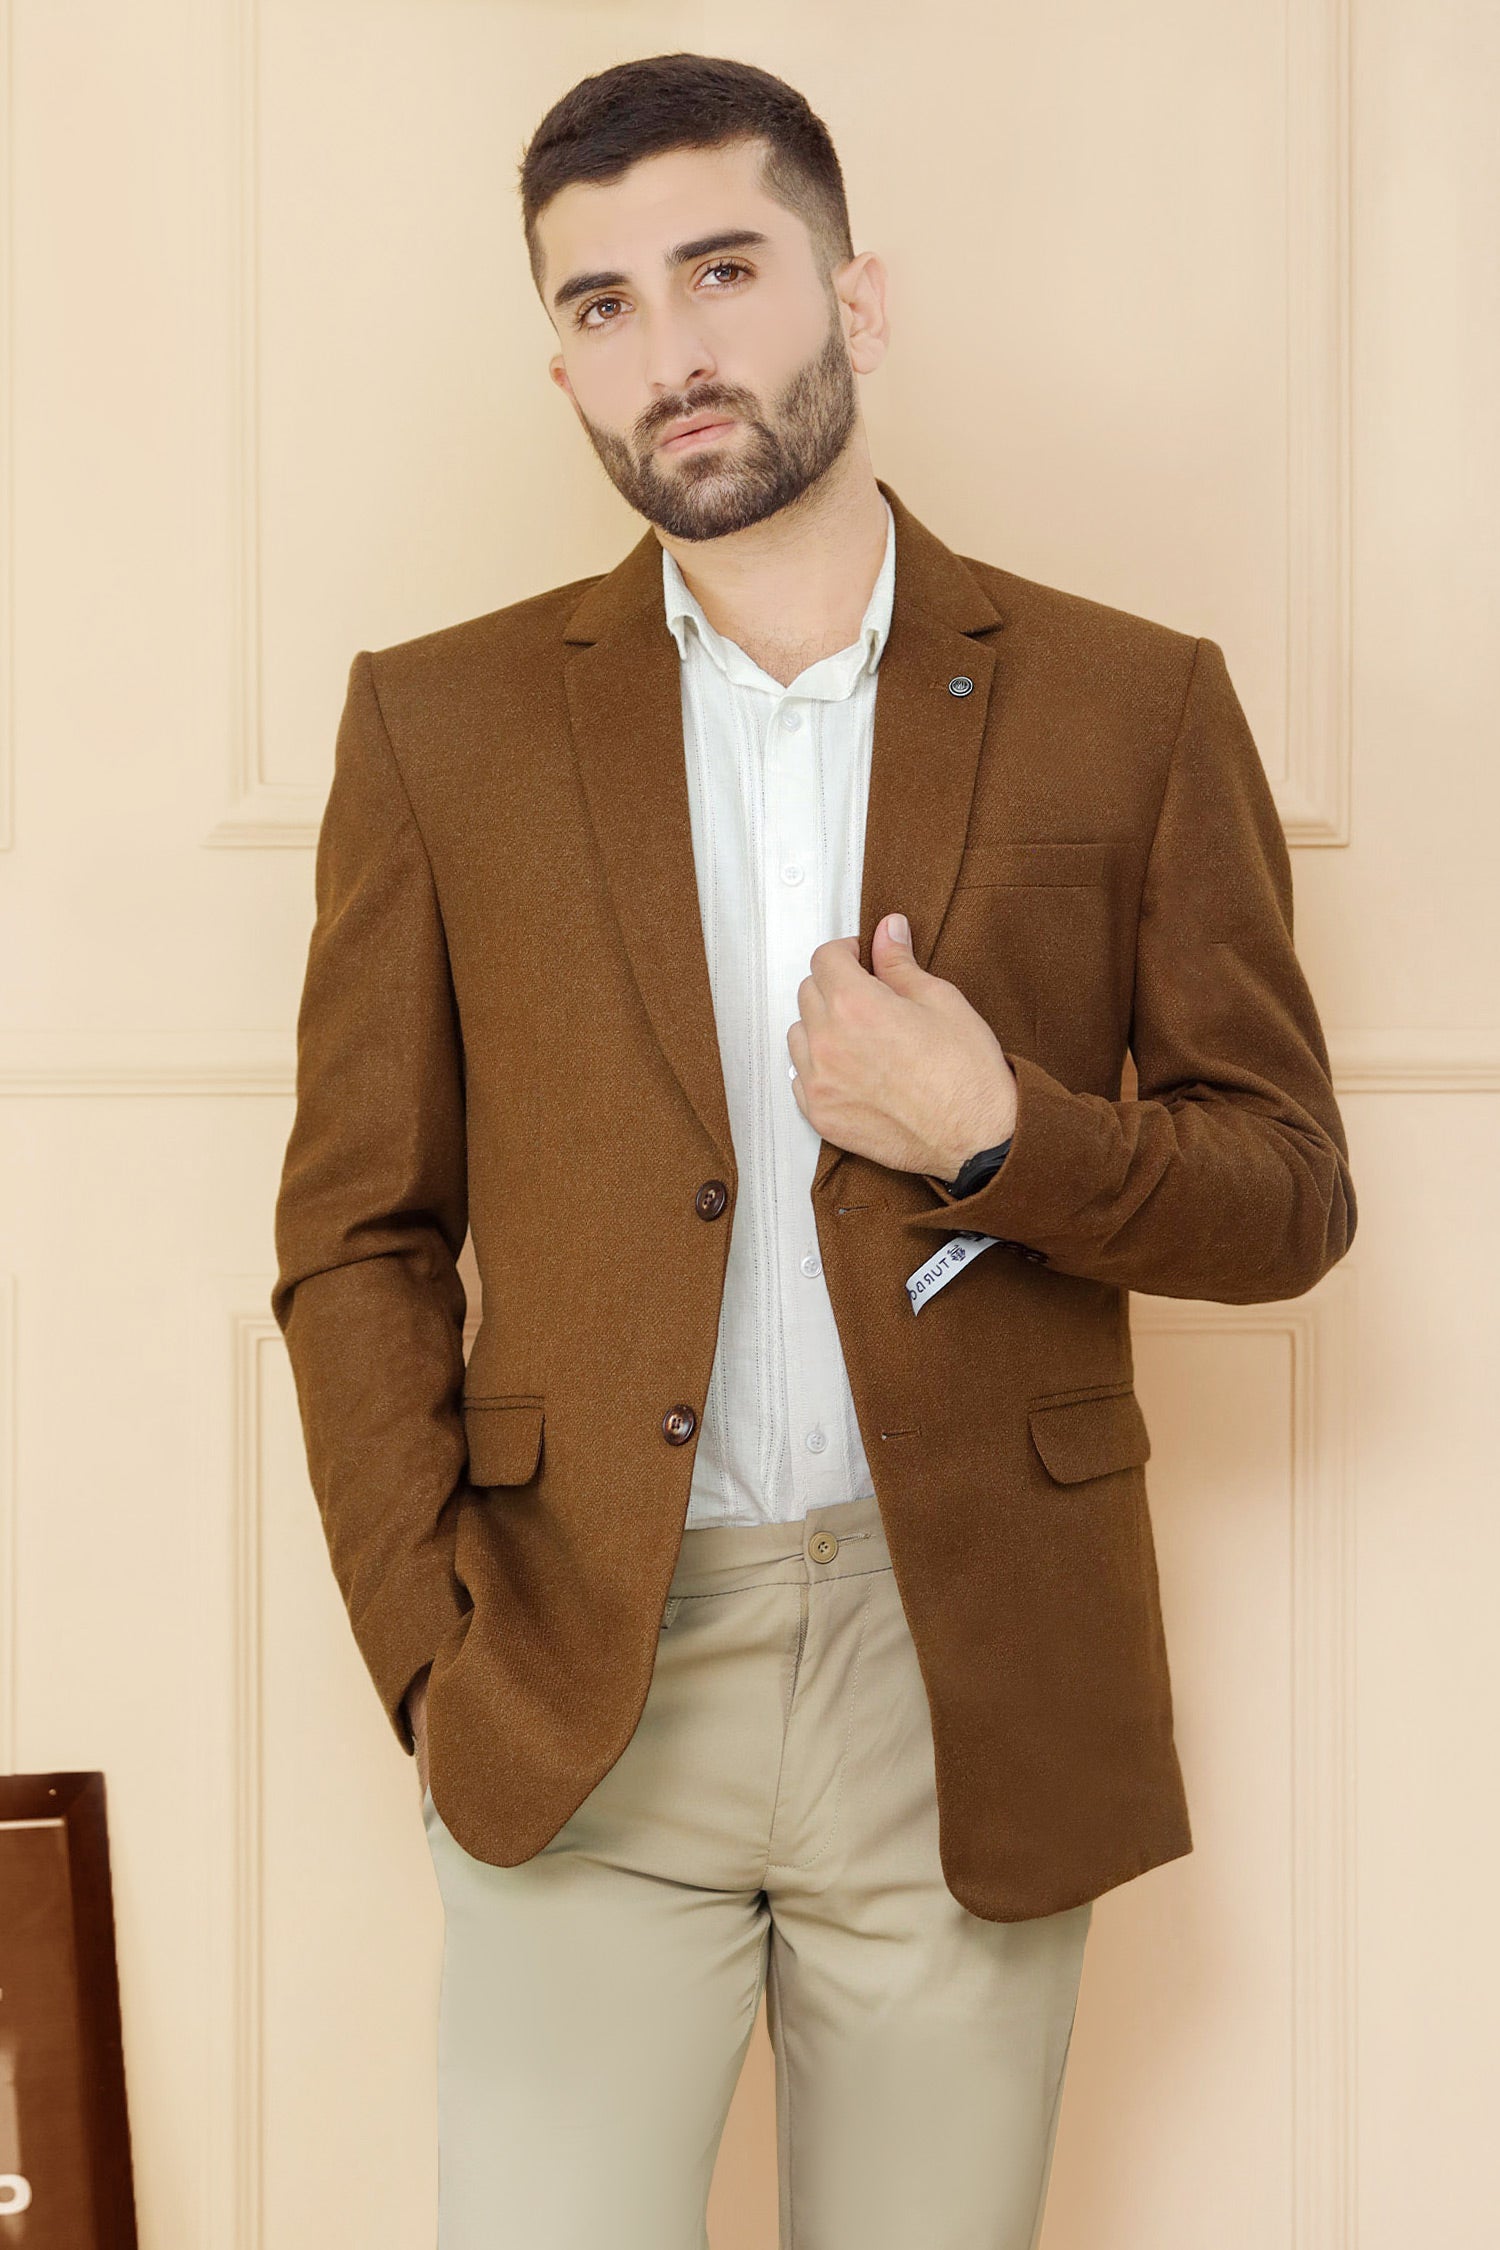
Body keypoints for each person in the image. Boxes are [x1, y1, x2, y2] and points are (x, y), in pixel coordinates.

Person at [271, 50, 1357, 2250]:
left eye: (722, 271)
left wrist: (1003, 1135)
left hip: (965, 1669)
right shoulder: (440, 723)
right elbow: (358, 1232)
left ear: (856, 298)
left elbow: (1287, 1193)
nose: (667, 352)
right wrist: (430, 1653)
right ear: (562, 363)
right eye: (598, 306)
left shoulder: (1131, 701)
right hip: (578, 1665)